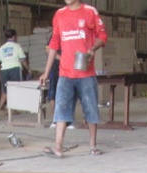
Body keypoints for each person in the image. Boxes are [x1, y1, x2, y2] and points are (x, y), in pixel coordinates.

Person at [39, 0, 107, 157]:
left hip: (86, 73)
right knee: (61, 109)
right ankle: (58, 146)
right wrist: (46, 72)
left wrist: (92, 49)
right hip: (65, 73)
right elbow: (54, 44)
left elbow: (102, 36)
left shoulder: (90, 12)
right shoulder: (59, 15)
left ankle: (93, 146)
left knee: (91, 109)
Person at [0, 28, 28, 109]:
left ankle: (1, 105)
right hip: (15, 69)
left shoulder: (2, 47)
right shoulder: (17, 46)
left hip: (4, 70)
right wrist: (28, 69)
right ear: (14, 37)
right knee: (16, 88)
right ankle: (13, 108)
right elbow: (23, 60)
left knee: (5, 89)